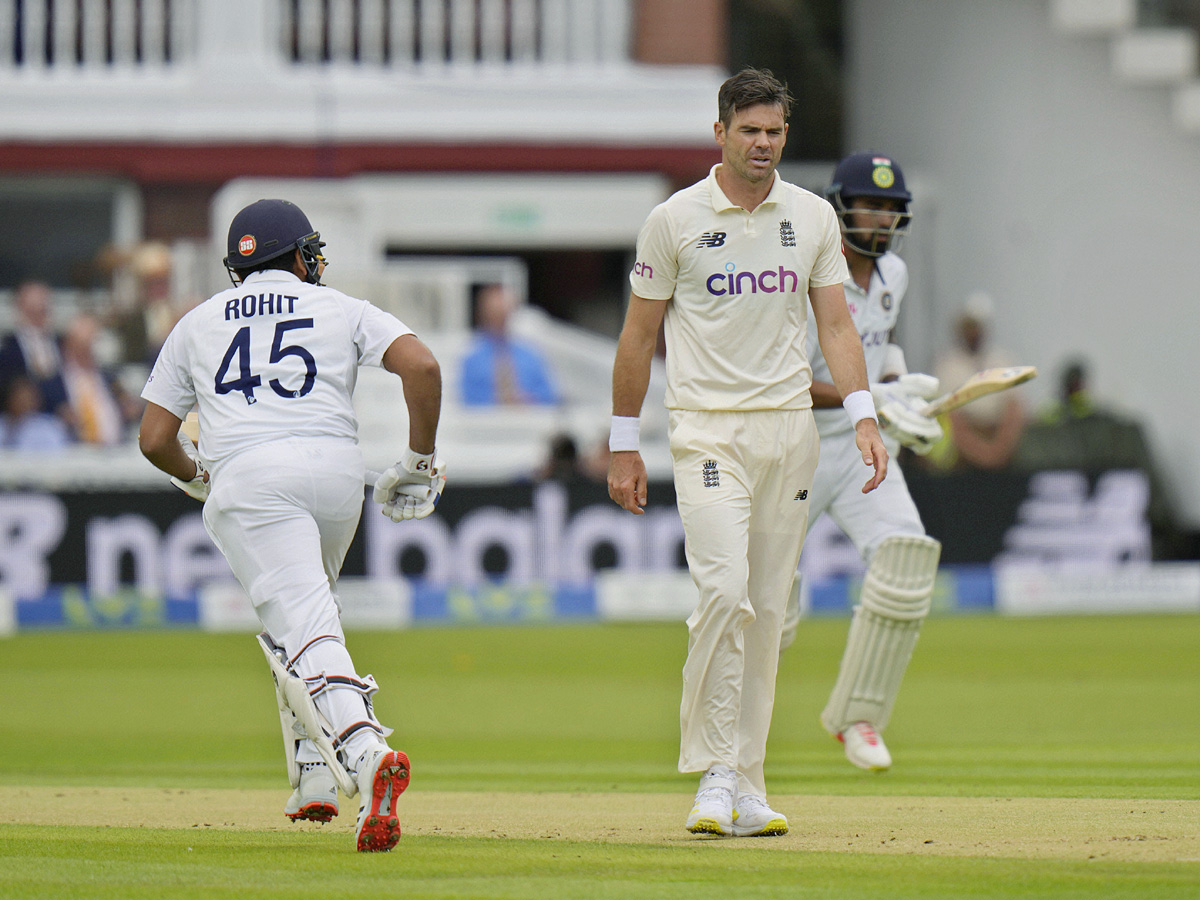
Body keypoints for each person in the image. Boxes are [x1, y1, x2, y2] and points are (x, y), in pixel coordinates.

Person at [607, 68, 888, 838]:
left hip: (788, 430)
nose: (762, 144)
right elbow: (638, 336)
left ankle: (750, 782)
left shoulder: (810, 217)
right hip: (704, 427)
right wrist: (622, 443)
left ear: (784, 136)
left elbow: (836, 328)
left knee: (765, 612)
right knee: (724, 592)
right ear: (722, 132)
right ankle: (714, 774)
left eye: (774, 132)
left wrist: (863, 416)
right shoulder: (675, 220)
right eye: (749, 131)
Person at [138, 199, 444, 852]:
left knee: (305, 626)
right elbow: (422, 366)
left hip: (251, 478)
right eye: (313, 251)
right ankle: (312, 777)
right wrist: (419, 460)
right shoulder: (341, 308)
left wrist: (198, 477)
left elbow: (154, 437)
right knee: (303, 621)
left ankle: (364, 753)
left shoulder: (196, 322)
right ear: (299, 257)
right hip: (336, 476)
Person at [778, 151, 945, 773]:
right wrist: (875, 400)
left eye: (889, 208)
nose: (878, 217)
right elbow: (785, 380)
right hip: (795, 443)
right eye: (868, 205)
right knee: (770, 605)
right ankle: (733, 743)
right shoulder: (802, 275)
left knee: (905, 556)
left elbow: (879, 347)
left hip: (858, 444)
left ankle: (859, 717)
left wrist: (900, 390)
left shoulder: (893, 275)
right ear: (840, 208)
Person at [929, 292, 1025, 470]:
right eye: (969, 327)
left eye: (977, 327)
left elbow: (1014, 409)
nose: (973, 332)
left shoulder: (1002, 360)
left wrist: (998, 451)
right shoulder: (947, 365)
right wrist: (982, 454)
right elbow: (950, 418)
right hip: (961, 452)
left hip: (1001, 443)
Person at [459, 283, 559, 406]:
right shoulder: (472, 359)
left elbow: (549, 395)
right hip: (489, 422)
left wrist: (528, 400)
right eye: (495, 314)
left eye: (503, 314)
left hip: (530, 420)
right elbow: (469, 399)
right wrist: (499, 401)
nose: (500, 320)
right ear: (484, 315)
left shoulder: (530, 355)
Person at [59, 313, 141, 445]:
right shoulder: (55, 383)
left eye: (92, 343)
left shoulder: (110, 380)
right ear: (69, 345)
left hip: (115, 450)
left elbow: (129, 407)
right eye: (82, 345)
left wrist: (129, 408)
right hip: (73, 453)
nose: (87, 351)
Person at [0, 280, 67, 412]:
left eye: (42, 310)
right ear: (19, 309)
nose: (38, 317)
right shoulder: (6, 351)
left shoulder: (65, 346)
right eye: (32, 311)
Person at [0, 375, 70, 451]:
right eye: (18, 398)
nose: (22, 403)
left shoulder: (48, 428)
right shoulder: (3, 424)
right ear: (9, 399)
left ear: (35, 400)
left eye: (26, 399)